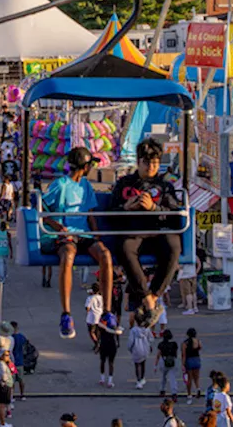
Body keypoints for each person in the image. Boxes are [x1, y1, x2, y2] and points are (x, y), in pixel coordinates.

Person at [108, 140, 184, 329]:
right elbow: (111, 214)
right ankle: (146, 298)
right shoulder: (124, 184)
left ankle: (153, 295)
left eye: (155, 163)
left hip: (158, 231)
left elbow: (174, 217)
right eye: (147, 163)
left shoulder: (165, 187)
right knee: (125, 248)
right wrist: (127, 208)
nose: (151, 167)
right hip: (133, 231)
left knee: (174, 247)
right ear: (139, 162)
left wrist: (154, 208)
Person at [41, 146, 115, 339]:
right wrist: (56, 226)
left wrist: (96, 234)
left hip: (84, 235)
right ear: (85, 166)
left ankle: (107, 312)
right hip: (66, 234)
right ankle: (66, 314)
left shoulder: (86, 186)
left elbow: (89, 213)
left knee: (105, 255)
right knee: (68, 255)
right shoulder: (61, 184)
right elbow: (41, 205)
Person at [0, 350, 16, 427]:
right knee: (2, 405)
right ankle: (3, 423)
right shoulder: (1, 365)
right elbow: (3, 376)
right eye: (6, 355)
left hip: (0, 386)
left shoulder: (0, 363)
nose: (8, 357)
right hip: (4, 386)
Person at [98, 312, 122, 388]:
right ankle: (110, 381)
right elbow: (117, 333)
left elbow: (99, 334)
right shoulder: (114, 322)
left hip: (103, 343)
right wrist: (118, 343)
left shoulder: (102, 323)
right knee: (111, 363)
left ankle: (102, 378)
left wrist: (97, 344)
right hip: (112, 344)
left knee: (102, 361)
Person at [128, 315, 153, 390]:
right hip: (145, 348)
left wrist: (129, 348)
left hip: (136, 348)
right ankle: (142, 378)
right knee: (143, 363)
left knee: (137, 365)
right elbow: (151, 338)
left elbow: (130, 341)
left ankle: (138, 380)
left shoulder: (133, 330)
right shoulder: (147, 329)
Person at [156, 329, 180, 399]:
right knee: (172, 377)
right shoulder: (174, 344)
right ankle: (174, 392)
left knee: (163, 377)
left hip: (163, 360)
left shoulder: (161, 344)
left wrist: (155, 365)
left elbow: (158, 355)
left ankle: (162, 390)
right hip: (172, 360)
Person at [182, 328, 203, 405]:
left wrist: (183, 365)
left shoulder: (185, 343)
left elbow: (184, 355)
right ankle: (198, 388)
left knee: (189, 379)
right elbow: (200, 348)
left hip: (189, 360)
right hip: (196, 360)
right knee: (196, 378)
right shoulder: (197, 341)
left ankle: (189, 395)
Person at [85, 284, 105, 350]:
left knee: (91, 331)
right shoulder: (101, 297)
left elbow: (87, 308)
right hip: (100, 315)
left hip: (92, 317)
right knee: (98, 330)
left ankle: (96, 343)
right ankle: (99, 341)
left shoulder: (90, 298)